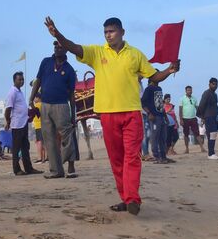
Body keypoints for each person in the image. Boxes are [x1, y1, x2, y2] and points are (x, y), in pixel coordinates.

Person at [44, 16, 179, 215]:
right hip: (107, 115)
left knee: (132, 157)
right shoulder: (98, 53)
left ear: (122, 32)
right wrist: (58, 35)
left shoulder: (135, 54)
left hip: (132, 113)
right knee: (116, 159)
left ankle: (133, 199)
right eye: (106, 32)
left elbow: (154, 76)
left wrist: (170, 69)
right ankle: (126, 198)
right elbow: (74, 47)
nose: (108, 35)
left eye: (112, 31)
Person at [29, 41, 78, 179]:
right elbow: (38, 81)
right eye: (55, 46)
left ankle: (71, 167)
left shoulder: (69, 70)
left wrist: (73, 115)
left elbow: (71, 95)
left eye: (60, 46)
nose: (57, 48)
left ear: (66, 50)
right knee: (49, 138)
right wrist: (31, 99)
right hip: (45, 105)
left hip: (62, 106)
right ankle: (56, 171)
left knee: (67, 137)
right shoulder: (45, 62)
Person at [5, 72, 44, 176]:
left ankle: (29, 168)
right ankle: (16, 169)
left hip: (24, 122)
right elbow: (8, 109)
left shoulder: (19, 92)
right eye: (19, 80)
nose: (21, 81)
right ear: (14, 80)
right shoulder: (12, 92)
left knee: (25, 147)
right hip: (16, 124)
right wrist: (8, 121)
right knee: (16, 148)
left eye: (22, 79)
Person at [141, 77, 172, 164]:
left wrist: (165, 116)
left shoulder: (159, 88)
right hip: (154, 117)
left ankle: (163, 156)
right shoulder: (148, 89)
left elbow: (161, 104)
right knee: (155, 137)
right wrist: (149, 113)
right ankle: (157, 156)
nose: (159, 77)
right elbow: (142, 103)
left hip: (161, 116)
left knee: (163, 137)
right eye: (157, 76)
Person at [197, 78, 218, 160]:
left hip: (214, 116)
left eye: (216, 84)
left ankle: (212, 152)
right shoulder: (206, 93)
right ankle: (210, 153)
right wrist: (202, 116)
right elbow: (201, 105)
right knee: (211, 134)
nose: (215, 85)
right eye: (213, 84)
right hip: (208, 116)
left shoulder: (215, 94)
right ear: (209, 84)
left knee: (214, 135)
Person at [179, 86, 206, 154]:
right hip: (185, 119)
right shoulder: (182, 99)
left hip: (193, 118)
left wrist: (202, 117)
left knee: (197, 133)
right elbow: (180, 110)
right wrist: (181, 119)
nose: (189, 91)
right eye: (188, 90)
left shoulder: (194, 98)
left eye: (190, 90)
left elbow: (197, 109)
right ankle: (187, 149)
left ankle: (202, 148)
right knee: (186, 134)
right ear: (186, 91)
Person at [31, 93, 46, 163]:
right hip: (43, 125)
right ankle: (43, 158)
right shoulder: (43, 105)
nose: (34, 100)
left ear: (38, 98)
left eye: (34, 98)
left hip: (38, 126)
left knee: (39, 142)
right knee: (43, 142)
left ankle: (40, 158)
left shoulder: (37, 105)